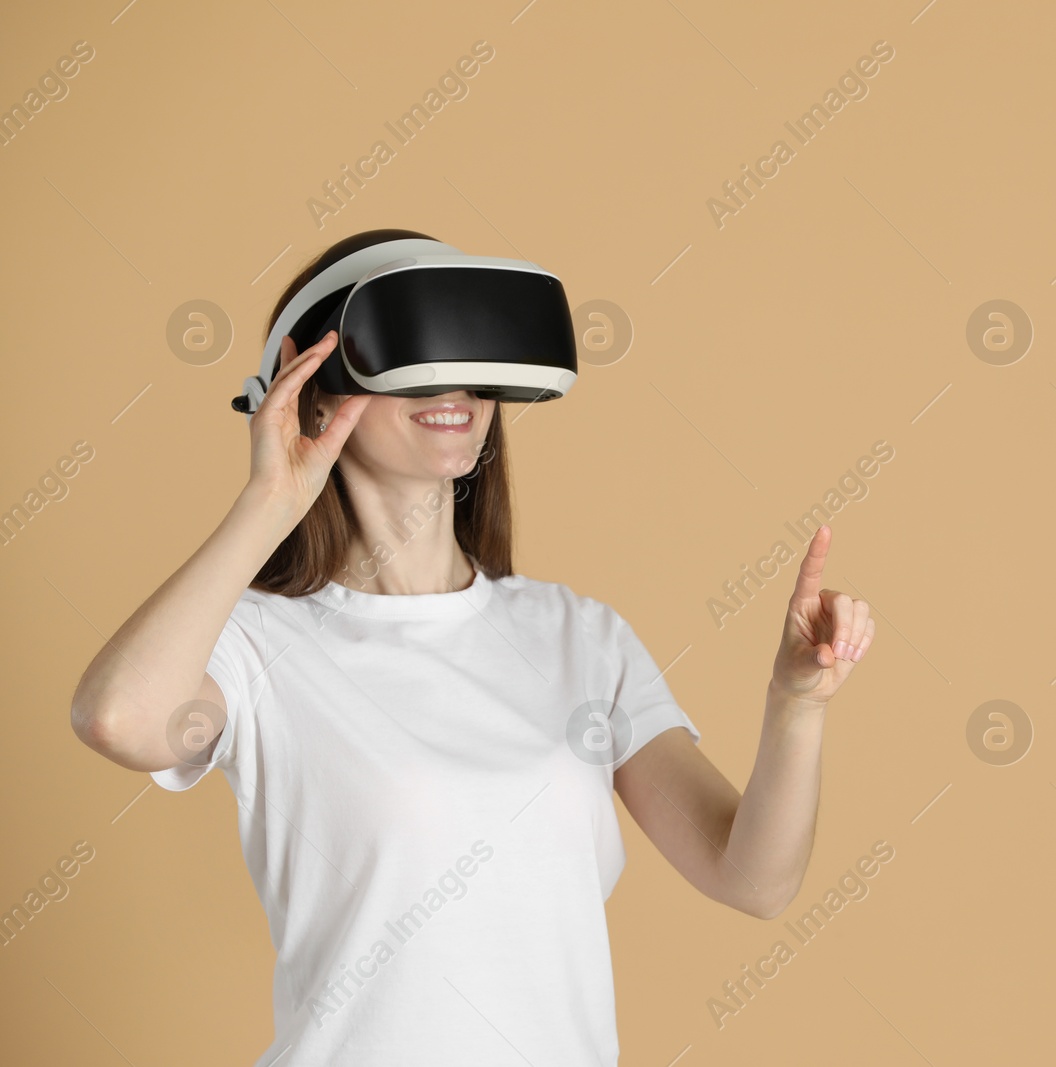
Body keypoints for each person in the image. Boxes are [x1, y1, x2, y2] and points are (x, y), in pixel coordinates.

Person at [69, 229, 875, 1066]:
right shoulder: (255, 644)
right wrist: (270, 500)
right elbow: (119, 717)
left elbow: (752, 878)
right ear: (311, 390)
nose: (455, 384)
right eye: (419, 346)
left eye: (476, 351)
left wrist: (796, 705)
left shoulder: (580, 638)